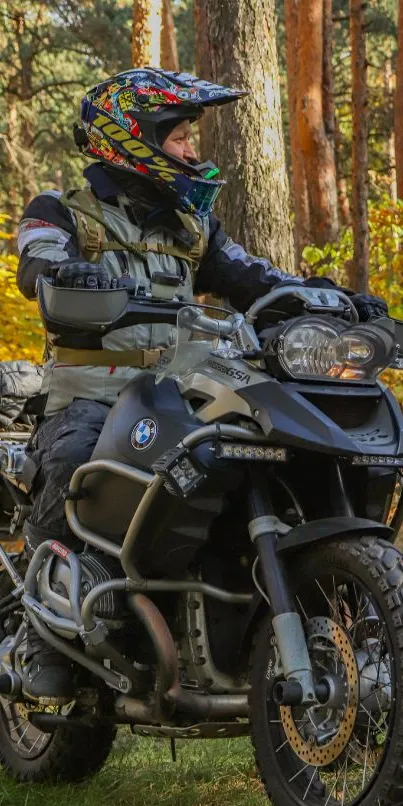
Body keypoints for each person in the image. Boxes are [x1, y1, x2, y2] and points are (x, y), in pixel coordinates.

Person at [17, 67, 387, 703]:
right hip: (91, 399)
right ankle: (40, 634)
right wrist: (75, 280)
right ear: (131, 139)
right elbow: (39, 266)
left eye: (192, 135)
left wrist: (336, 301)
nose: (194, 150)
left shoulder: (195, 230)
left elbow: (259, 280)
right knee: (78, 459)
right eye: (180, 137)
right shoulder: (60, 211)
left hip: (179, 398)